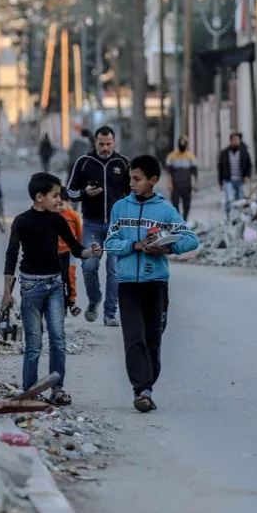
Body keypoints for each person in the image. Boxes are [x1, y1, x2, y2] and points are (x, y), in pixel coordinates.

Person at [103, 154, 199, 413]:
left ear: (153, 181)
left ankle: (148, 384)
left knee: (153, 338)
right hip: (127, 283)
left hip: (155, 283)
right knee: (133, 337)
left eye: (137, 179)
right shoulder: (120, 208)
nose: (131, 183)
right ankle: (141, 390)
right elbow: (109, 243)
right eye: (130, 178)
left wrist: (165, 248)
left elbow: (191, 239)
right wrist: (133, 245)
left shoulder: (166, 211)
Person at [2, 172, 101, 406]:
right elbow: (11, 256)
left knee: (58, 339)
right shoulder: (22, 221)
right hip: (30, 287)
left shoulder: (58, 220)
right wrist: (7, 292)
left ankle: (57, 389)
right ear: (39, 197)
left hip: (56, 285)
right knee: (34, 344)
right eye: (55, 196)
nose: (60, 200)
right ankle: (29, 392)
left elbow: (77, 249)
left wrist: (91, 251)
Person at [65, 126, 130, 327]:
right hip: (92, 224)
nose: (105, 148)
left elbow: (132, 194)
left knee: (115, 270)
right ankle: (94, 300)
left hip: (116, 227)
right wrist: (85, 192)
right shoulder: (84, 163)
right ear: (95, 142)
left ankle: (110, 313)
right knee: (89, 266)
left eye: (108, 144)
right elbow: (69, 192)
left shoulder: (123, 163)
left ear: (114, 142)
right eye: (101, 144)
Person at [56, 194, 84, 318]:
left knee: (70, 276)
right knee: (58, 279)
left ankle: (71, 301)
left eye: (61, 204)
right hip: (55, 252)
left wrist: (78, 248)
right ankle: (60, 304)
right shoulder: (53, 216)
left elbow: (79, 233)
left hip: (69, 251)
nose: (59, 207)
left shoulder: (73, 216)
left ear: (68, 202)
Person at [164, 136, 199, 221]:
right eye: (181, 143)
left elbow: (195, 172)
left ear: (187, 144)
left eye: (184, 143)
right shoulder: (172, 156)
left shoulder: (191, 156)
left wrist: (196, 183)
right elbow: (168, 172)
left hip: (187, 185)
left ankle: (185, 220)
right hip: (175, 185)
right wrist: (169, 183)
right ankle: (178, 220)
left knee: (187, 205)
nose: (182, 145)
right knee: (175, 204)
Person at [218, 132, 253, 217]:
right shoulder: (224, 153)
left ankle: (238, 217)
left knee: (239, 200)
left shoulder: (244, 152)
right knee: (229, 200)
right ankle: (229, 217)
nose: (236, 141)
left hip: (240, 180)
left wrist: (247, 176)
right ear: (231, 141)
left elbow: (249, 165)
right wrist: (220, 182)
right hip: (228, 180)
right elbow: (220, 167)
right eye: (234, 140)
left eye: (237, 140)